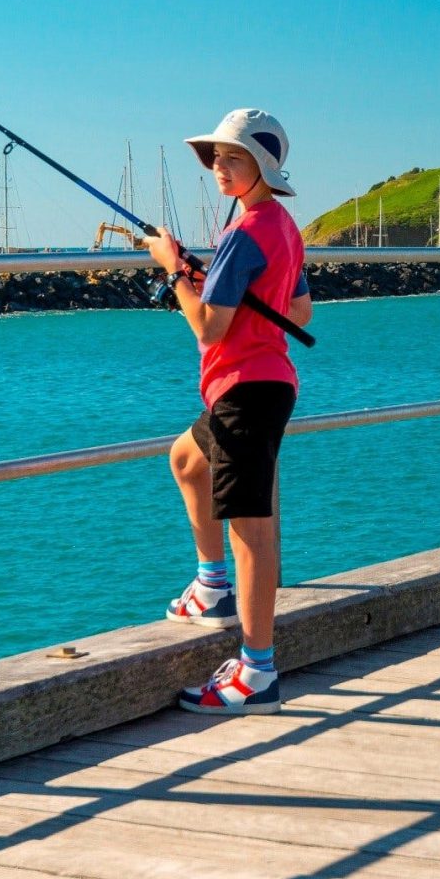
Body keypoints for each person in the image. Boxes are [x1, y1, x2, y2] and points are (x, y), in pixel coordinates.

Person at [144, 108, 310, 713]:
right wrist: (210, 275)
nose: (218, 166)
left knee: (251, 530)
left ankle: (257, 671)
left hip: (245, 389)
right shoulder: (281, 225)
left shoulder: (245, 233)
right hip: (262, 385)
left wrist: (175, 276)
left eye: (231, 157)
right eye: (215, 156)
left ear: (261, 167)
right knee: (187, 460)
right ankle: (213, 587)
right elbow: (299, 312)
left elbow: (210, 329)